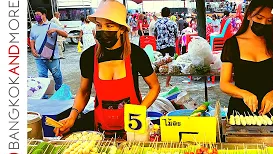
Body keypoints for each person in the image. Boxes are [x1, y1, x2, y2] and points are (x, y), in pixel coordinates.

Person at [54, 0, 160, 138]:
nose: (103, 30)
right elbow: (84, 92)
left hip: (133, 129)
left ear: (122, 28)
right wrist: (72, 116)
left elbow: (155, 87)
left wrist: (139, 110)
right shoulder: (88, 57)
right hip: (101, 128)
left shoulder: (137, 54)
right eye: (99, 25)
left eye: (109, 26)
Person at [220, 0, 273, 117]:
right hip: (239, 112)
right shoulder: (232, 44)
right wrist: (244, 94)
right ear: (249, 15)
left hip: (269, 111)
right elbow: (224, 84)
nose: (263, 23)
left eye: (269, 20)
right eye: (259, 17)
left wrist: (272, 95)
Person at [30, 7, 68, 91]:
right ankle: (43, 94)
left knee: (57, 75)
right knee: (42, 76)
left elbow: (65, 35)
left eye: (38, 15)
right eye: (35, 15)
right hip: (39, 57)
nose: (36, 16)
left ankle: (59, 91)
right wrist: (32, 49)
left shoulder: (52, 25)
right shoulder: (34, 27)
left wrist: (56, 30)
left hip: (52, 57)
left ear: (44, 15)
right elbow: (32, 40)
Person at [154, 7, 178, 87]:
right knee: (170, 64)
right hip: (170, 45)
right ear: (169, 14)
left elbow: (155, 34)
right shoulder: (173, 23)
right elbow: (176, 35)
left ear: (161, 13)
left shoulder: (157, 22)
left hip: (160, 45)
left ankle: (157, 84)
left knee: (159, 63)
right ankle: (167, 83)